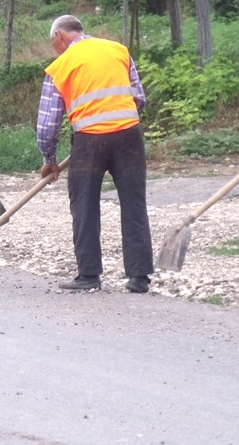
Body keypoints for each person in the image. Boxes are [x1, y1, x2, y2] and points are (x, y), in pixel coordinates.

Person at [37, 15, 154, 293]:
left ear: (59, 36)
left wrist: (49, 160)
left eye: (53, 43)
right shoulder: (118, 50)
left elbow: (47, 124)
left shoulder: (60, 65)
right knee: (134, 203)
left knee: (84, 205)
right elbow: (139, 98)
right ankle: (139, 277)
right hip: (129, 135)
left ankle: (89, 275)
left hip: (88, 141)